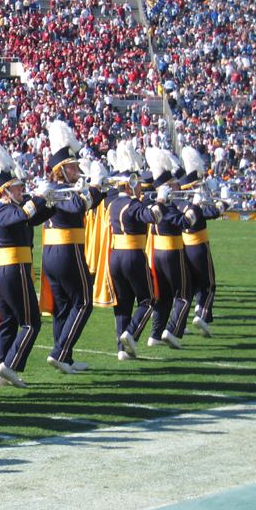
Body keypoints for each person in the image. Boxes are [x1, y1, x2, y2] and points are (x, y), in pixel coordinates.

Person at [0, 138, 52, 388]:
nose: (22, 190)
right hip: (12, 270)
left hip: (5, 271)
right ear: (6, 191)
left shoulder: (11, 209)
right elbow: (25, 214)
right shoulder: (4, 209)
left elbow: (34, 218)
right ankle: (9, 365)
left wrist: (50, 201)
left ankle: (2, 373)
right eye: (17, 188)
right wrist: (39, 196)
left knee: (7, 323)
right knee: (31, 323)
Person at [40, 121, 103, 374]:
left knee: (64, 307)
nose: (78, 169)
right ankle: (60, 352)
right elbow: (79, 206)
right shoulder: (60, 190)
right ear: (61, 170)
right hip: (67, 251)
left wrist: (99, 190)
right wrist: (96, 187)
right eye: (73, 166)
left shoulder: (60, 188)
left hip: (52, 254)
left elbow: (86, 202)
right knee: (85, 301)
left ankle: (65, 356)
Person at [108, 142, 167, 361]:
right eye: (139, 184)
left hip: (115, 256)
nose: (141, 188)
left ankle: (122, 349)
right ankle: (131, 333)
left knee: (123, 303)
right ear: (131, 185)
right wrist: (160, 199)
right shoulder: (133, 205)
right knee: (149, 299)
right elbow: (154, 217)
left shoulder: (113, 203)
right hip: (133, 255)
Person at [145, 148, 201, 349]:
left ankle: (155, 334)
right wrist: (195, 205)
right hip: (171, 253)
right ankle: (172, 330)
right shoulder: (167, 206)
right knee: (184, 294)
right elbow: (186, 222)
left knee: (165, 296)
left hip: (158, 253)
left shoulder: (155, 204)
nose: (178, 186)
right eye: (174, 184)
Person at [176, 147, 223, 338]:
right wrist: (223, 202)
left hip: (183, 247)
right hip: (198, 246)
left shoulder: (179, 203)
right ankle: (202, 315)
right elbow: (212, 213)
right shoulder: (194, 206)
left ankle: (180, 322)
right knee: (208, 284)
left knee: (190, 286)